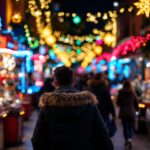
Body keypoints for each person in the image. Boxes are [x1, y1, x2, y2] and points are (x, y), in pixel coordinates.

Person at [31, 66, 114, 150]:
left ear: (55, 83)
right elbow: (103, 137)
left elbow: (37, 139)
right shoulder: (88, 103)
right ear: (73, 82)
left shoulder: (47, 106)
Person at [117, 80, 138, 149]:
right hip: (131, 112)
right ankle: (130, 139)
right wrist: (137, 110)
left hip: (123, 112)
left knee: (125, 127)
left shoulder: (120, 92)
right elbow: (136, 103)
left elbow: (118, 103)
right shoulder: (133, 92)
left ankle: (126, 140)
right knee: (131, 127)